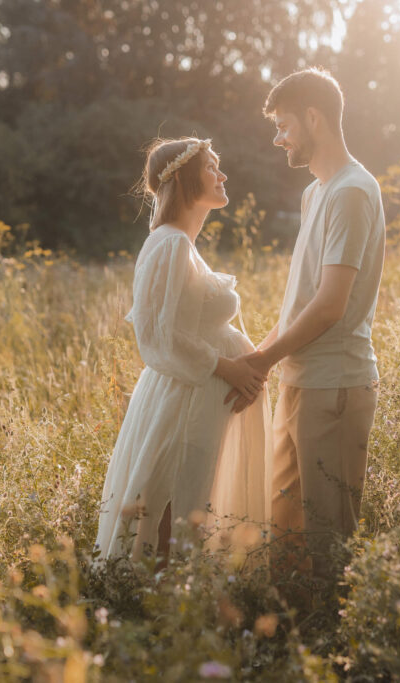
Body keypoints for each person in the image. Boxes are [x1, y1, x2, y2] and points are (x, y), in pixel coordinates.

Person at [228, 68, 385, 580]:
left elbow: (329, 306)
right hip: (297, 382)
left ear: (314, 118)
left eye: (284, 125)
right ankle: (291, 647)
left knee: (329, 543)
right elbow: (299, 304)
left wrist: (260, 361)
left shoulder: (352, 192)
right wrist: (260, 362)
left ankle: (336, 654)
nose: (278, 139)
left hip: (334, 388)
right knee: (286, 540)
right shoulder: (315, 193)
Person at [94, 137, 272, 564]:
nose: (223, 175)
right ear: (187, 179)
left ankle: (183, 594)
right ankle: (163, 598)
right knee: (176, 495)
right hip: (187, 394)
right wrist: (226, 367)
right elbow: (158, 334)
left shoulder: (182, 245)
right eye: (213, 167)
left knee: (196, 495)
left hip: (202, 393)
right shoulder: (170, 244)